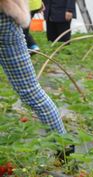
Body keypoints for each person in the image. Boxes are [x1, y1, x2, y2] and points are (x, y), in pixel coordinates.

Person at [0, 0, 69, 136]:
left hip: (8, 13)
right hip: (9, 17)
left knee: (31, 90)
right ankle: (63, 147)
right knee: (31, 90)